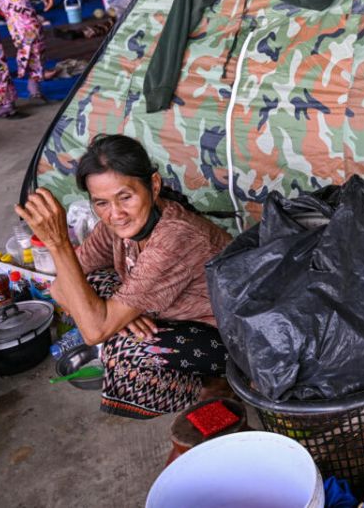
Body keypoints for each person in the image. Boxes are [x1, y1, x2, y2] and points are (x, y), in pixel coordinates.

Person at [16, 134, 233, 419]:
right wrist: (120, 319)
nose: (115, 213)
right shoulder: (115, 227)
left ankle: (217, 386)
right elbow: (58, 288)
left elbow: (94, 334)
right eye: (101, 203)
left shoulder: (175, 237)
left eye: (126, 197)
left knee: (124, 351)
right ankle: (122, 319)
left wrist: (59, 244)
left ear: (154, 185)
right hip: (176, 318)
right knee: (88, 285)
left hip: (230, 340)